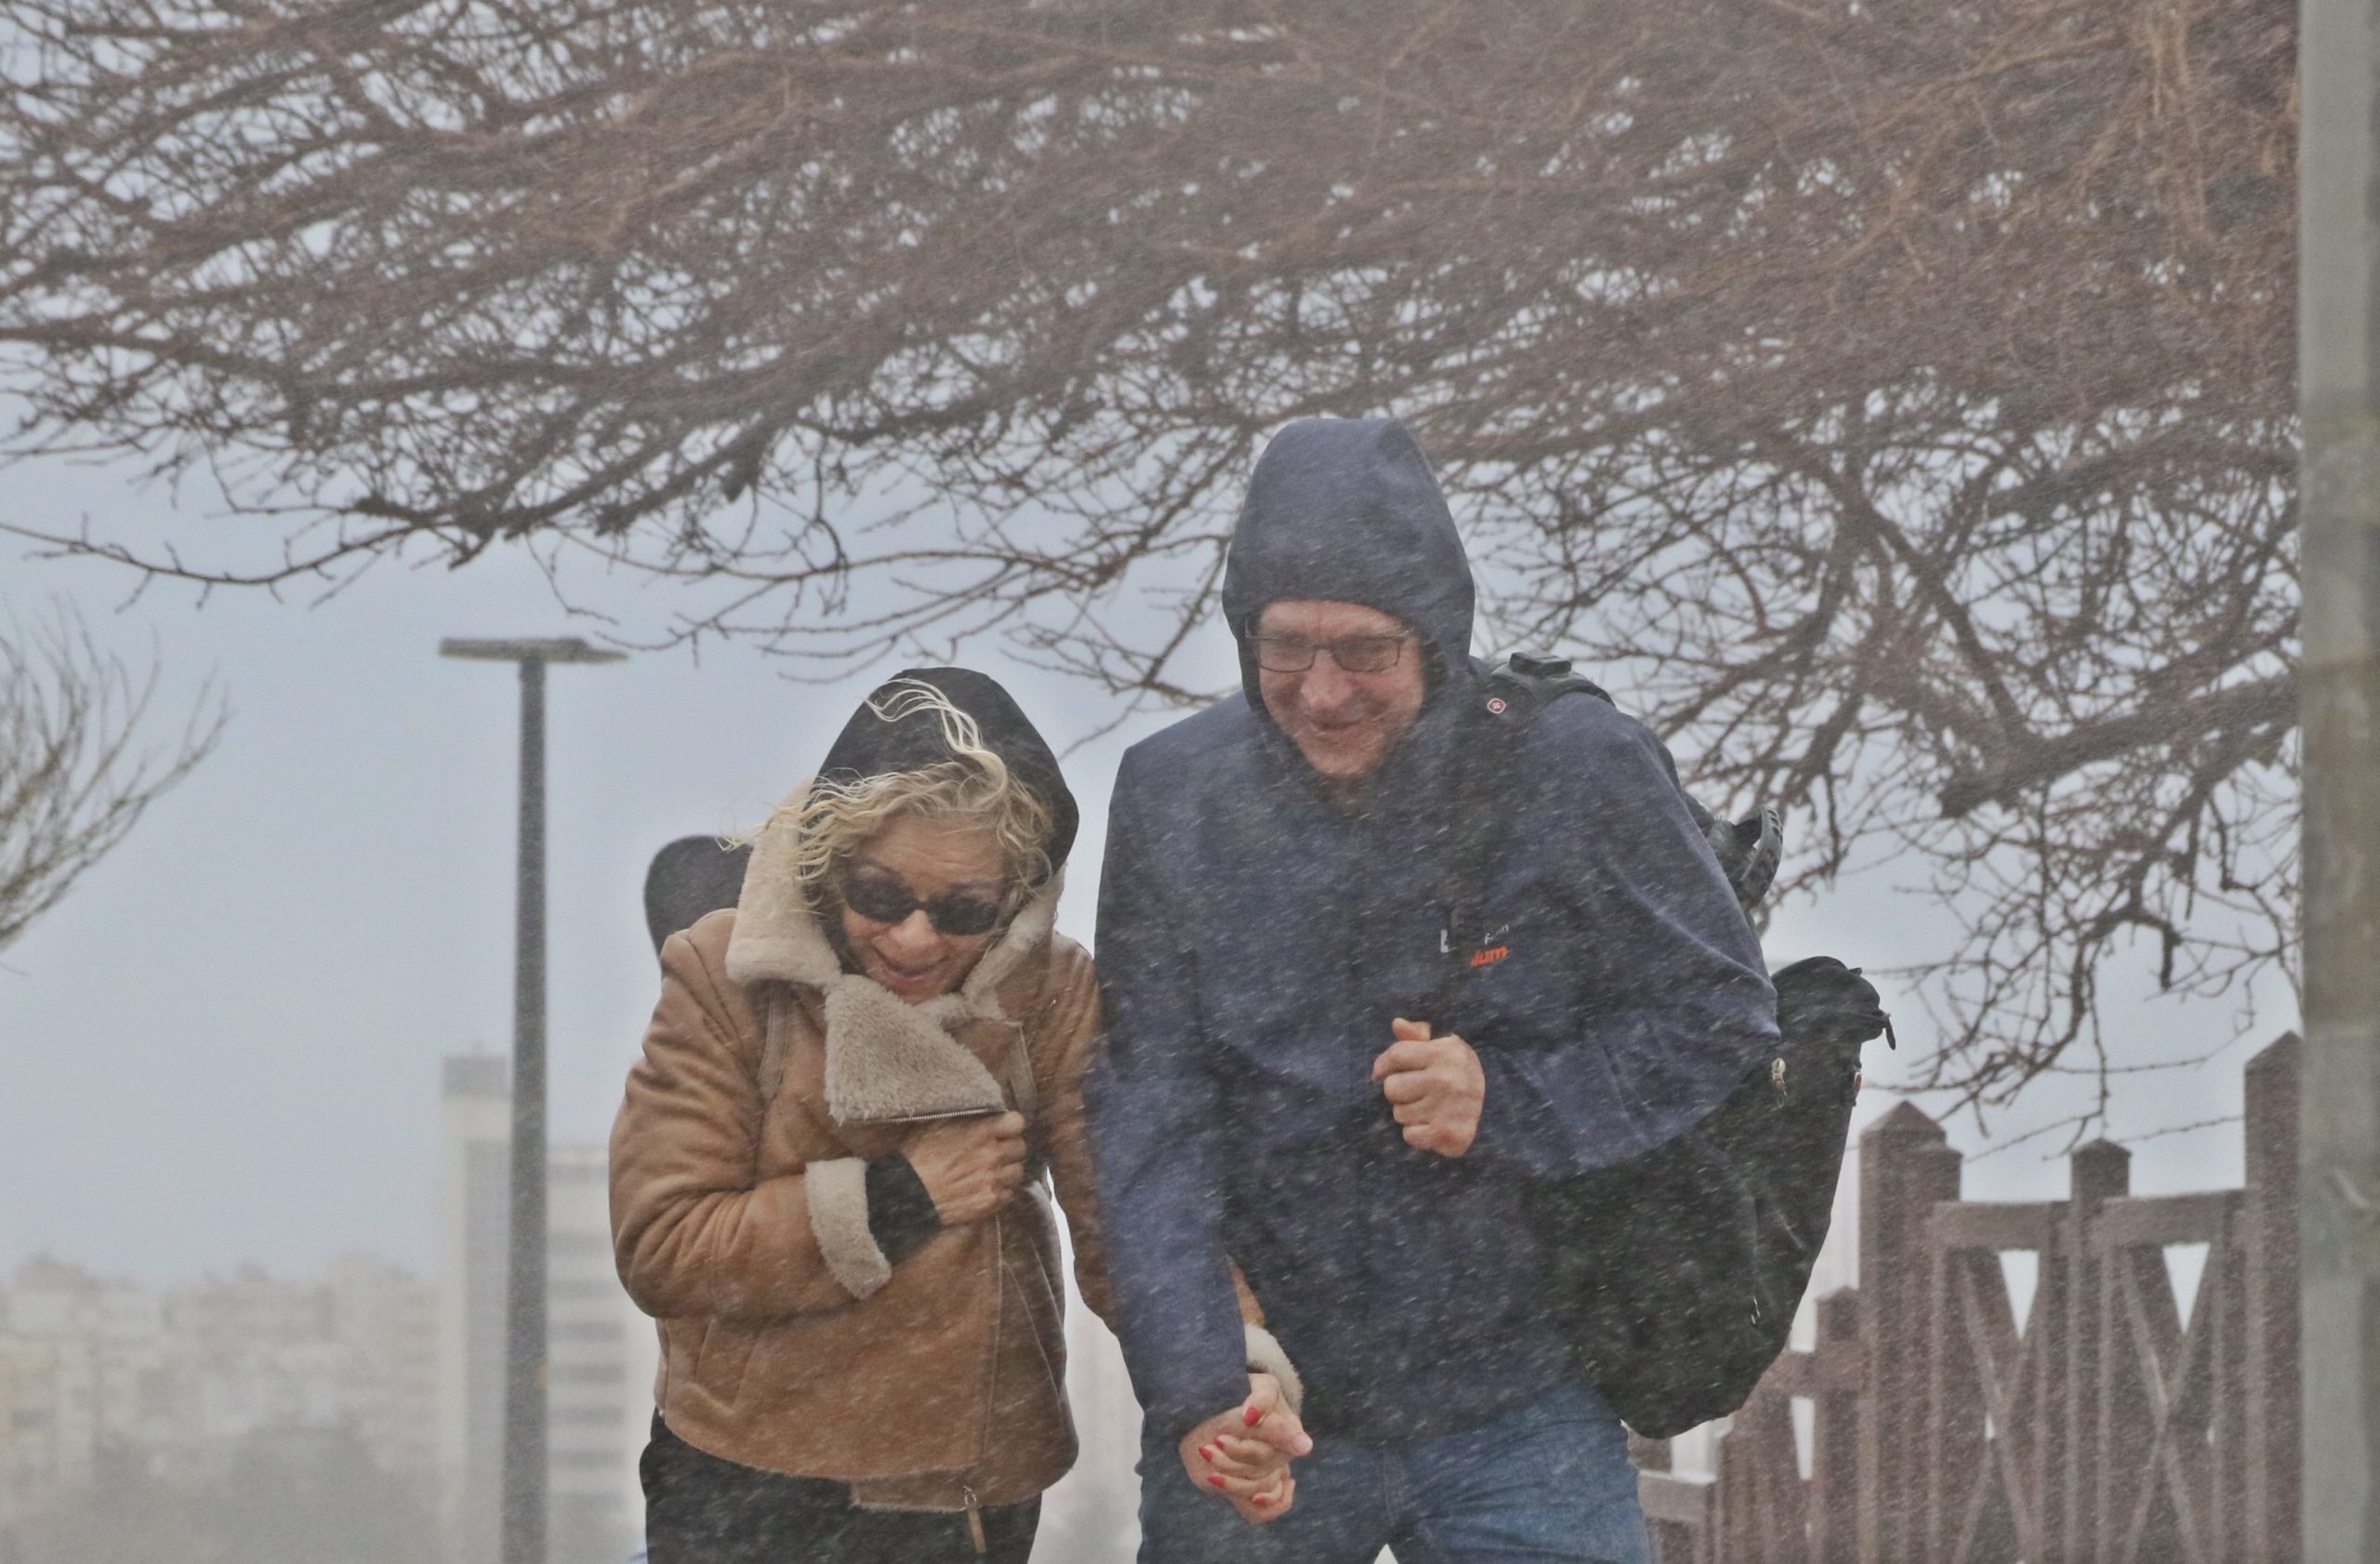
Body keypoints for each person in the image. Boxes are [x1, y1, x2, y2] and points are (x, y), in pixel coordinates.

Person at [1084, 418, 1782, 1563]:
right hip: (1272, 1397)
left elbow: (1719, 1017)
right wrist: (1202, 1379)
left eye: (1364, 649)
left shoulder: (1573, 765)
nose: (1322, 692)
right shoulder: (1172, 793)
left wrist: (1510, 1099)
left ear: (1437, 635)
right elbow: (1150, 1113)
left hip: (1525, 1394)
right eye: (1285, 646)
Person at [610, 669, 1296, 1564]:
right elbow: (664, 1246)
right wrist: (901, 1196)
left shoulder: (1049, 992)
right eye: (879, 894)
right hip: (746, 1482)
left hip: (966, 1487)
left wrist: (1233, 1375)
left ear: (1018, 899)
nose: (915, 938)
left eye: (965, 910)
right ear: (828, 861)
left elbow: (1133, 1221)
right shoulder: (727, 971)